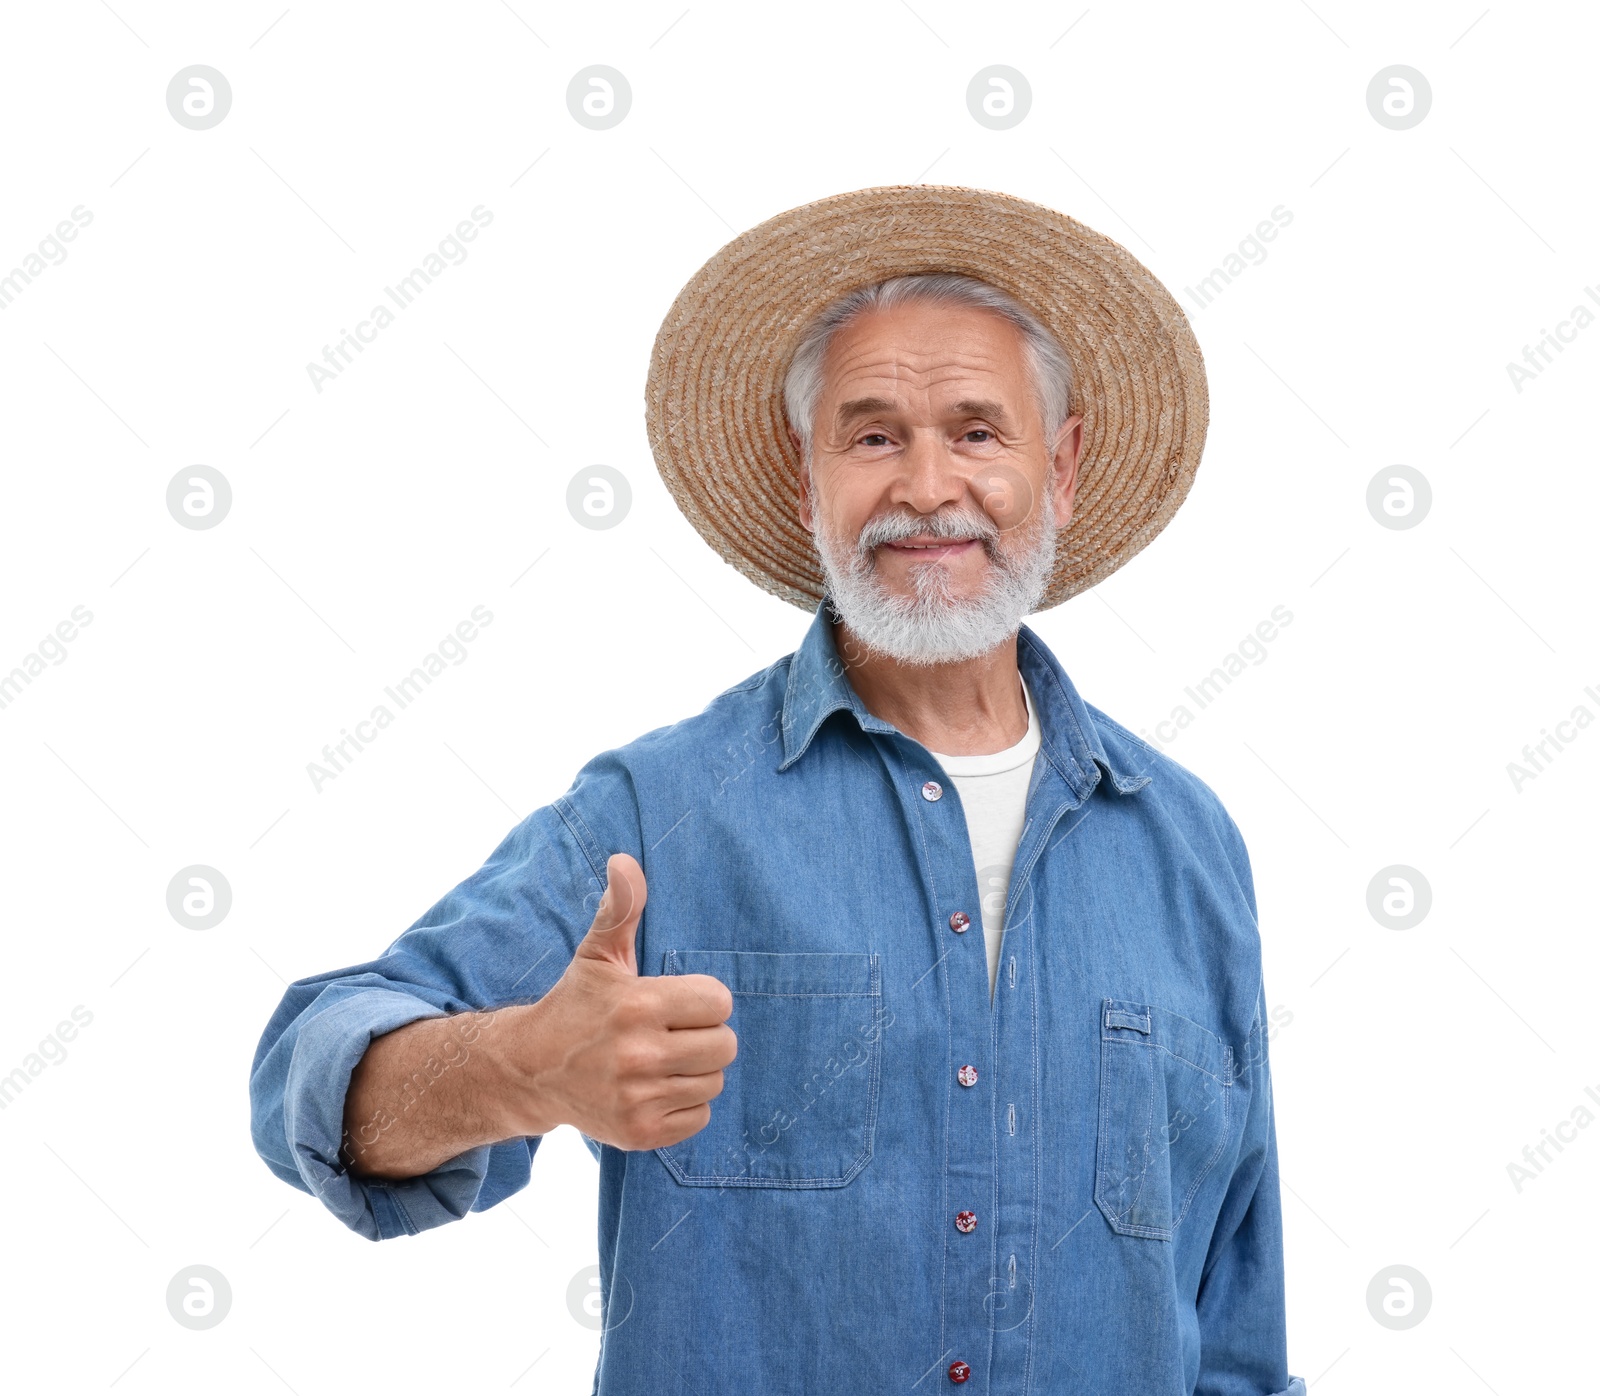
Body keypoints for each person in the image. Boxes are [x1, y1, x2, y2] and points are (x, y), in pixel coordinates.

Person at [250, 185, 1305, 1395]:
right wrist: (528, 1065)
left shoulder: (1187, 843)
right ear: (805, 482)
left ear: (1057, 469)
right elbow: (311, 1078)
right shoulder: (657, 812)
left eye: (975, 431)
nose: (924, 486)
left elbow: (1235, 1322)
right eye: (870, 436)